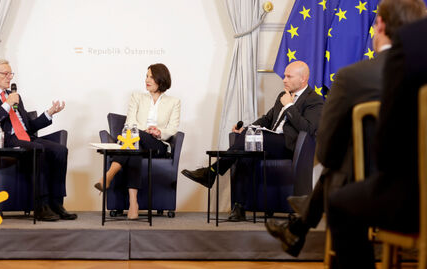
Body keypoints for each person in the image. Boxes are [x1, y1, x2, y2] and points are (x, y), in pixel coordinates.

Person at [264, 0, 426, 258]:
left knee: (339, 187)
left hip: (390, 198)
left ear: (379, 24)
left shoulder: (354, 77)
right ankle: (298, 224)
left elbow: (326, 152)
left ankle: (302, 221)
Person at [327, 12, 427, 269]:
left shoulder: (409, 46)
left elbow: (385, 149)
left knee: (341, 201)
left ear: (380, 24)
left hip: (411, 198)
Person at [182, 61, 323, 220]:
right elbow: (267, 119)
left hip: (289, 146)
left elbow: (309, 129)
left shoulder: (314, 100)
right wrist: (246, 129)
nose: (284, 79)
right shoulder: (283, 95)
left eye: (289, 76)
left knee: (249, 141)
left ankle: (213, 171)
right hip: (270, 141)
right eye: (284, 75)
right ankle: (239, 208)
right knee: (244, 154)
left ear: (303, 79)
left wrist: (290, 106)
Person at [0, 59, 76, 222]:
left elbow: (29, 126)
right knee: (36, 148)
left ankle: (56, 202)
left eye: (10, 73)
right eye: (5, 74)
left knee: (60, 150)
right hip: (5, 139)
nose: (9, 77)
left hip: (26, 138)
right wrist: (6, 105)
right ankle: (40, 206)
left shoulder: (14, 97)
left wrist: (49, 113)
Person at [93, 63, 180, 219]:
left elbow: (173, 129)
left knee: (133, 140)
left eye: (151, 77)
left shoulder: (174, 102)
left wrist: (159, 132)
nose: (147, 80)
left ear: (161, 79)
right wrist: (138, 133)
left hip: (157, 144)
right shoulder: (137, 97)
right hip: (135, 141)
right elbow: (130, 123)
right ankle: (134, 203)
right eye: (146, 76)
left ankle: (109, 175)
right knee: (134, 148)